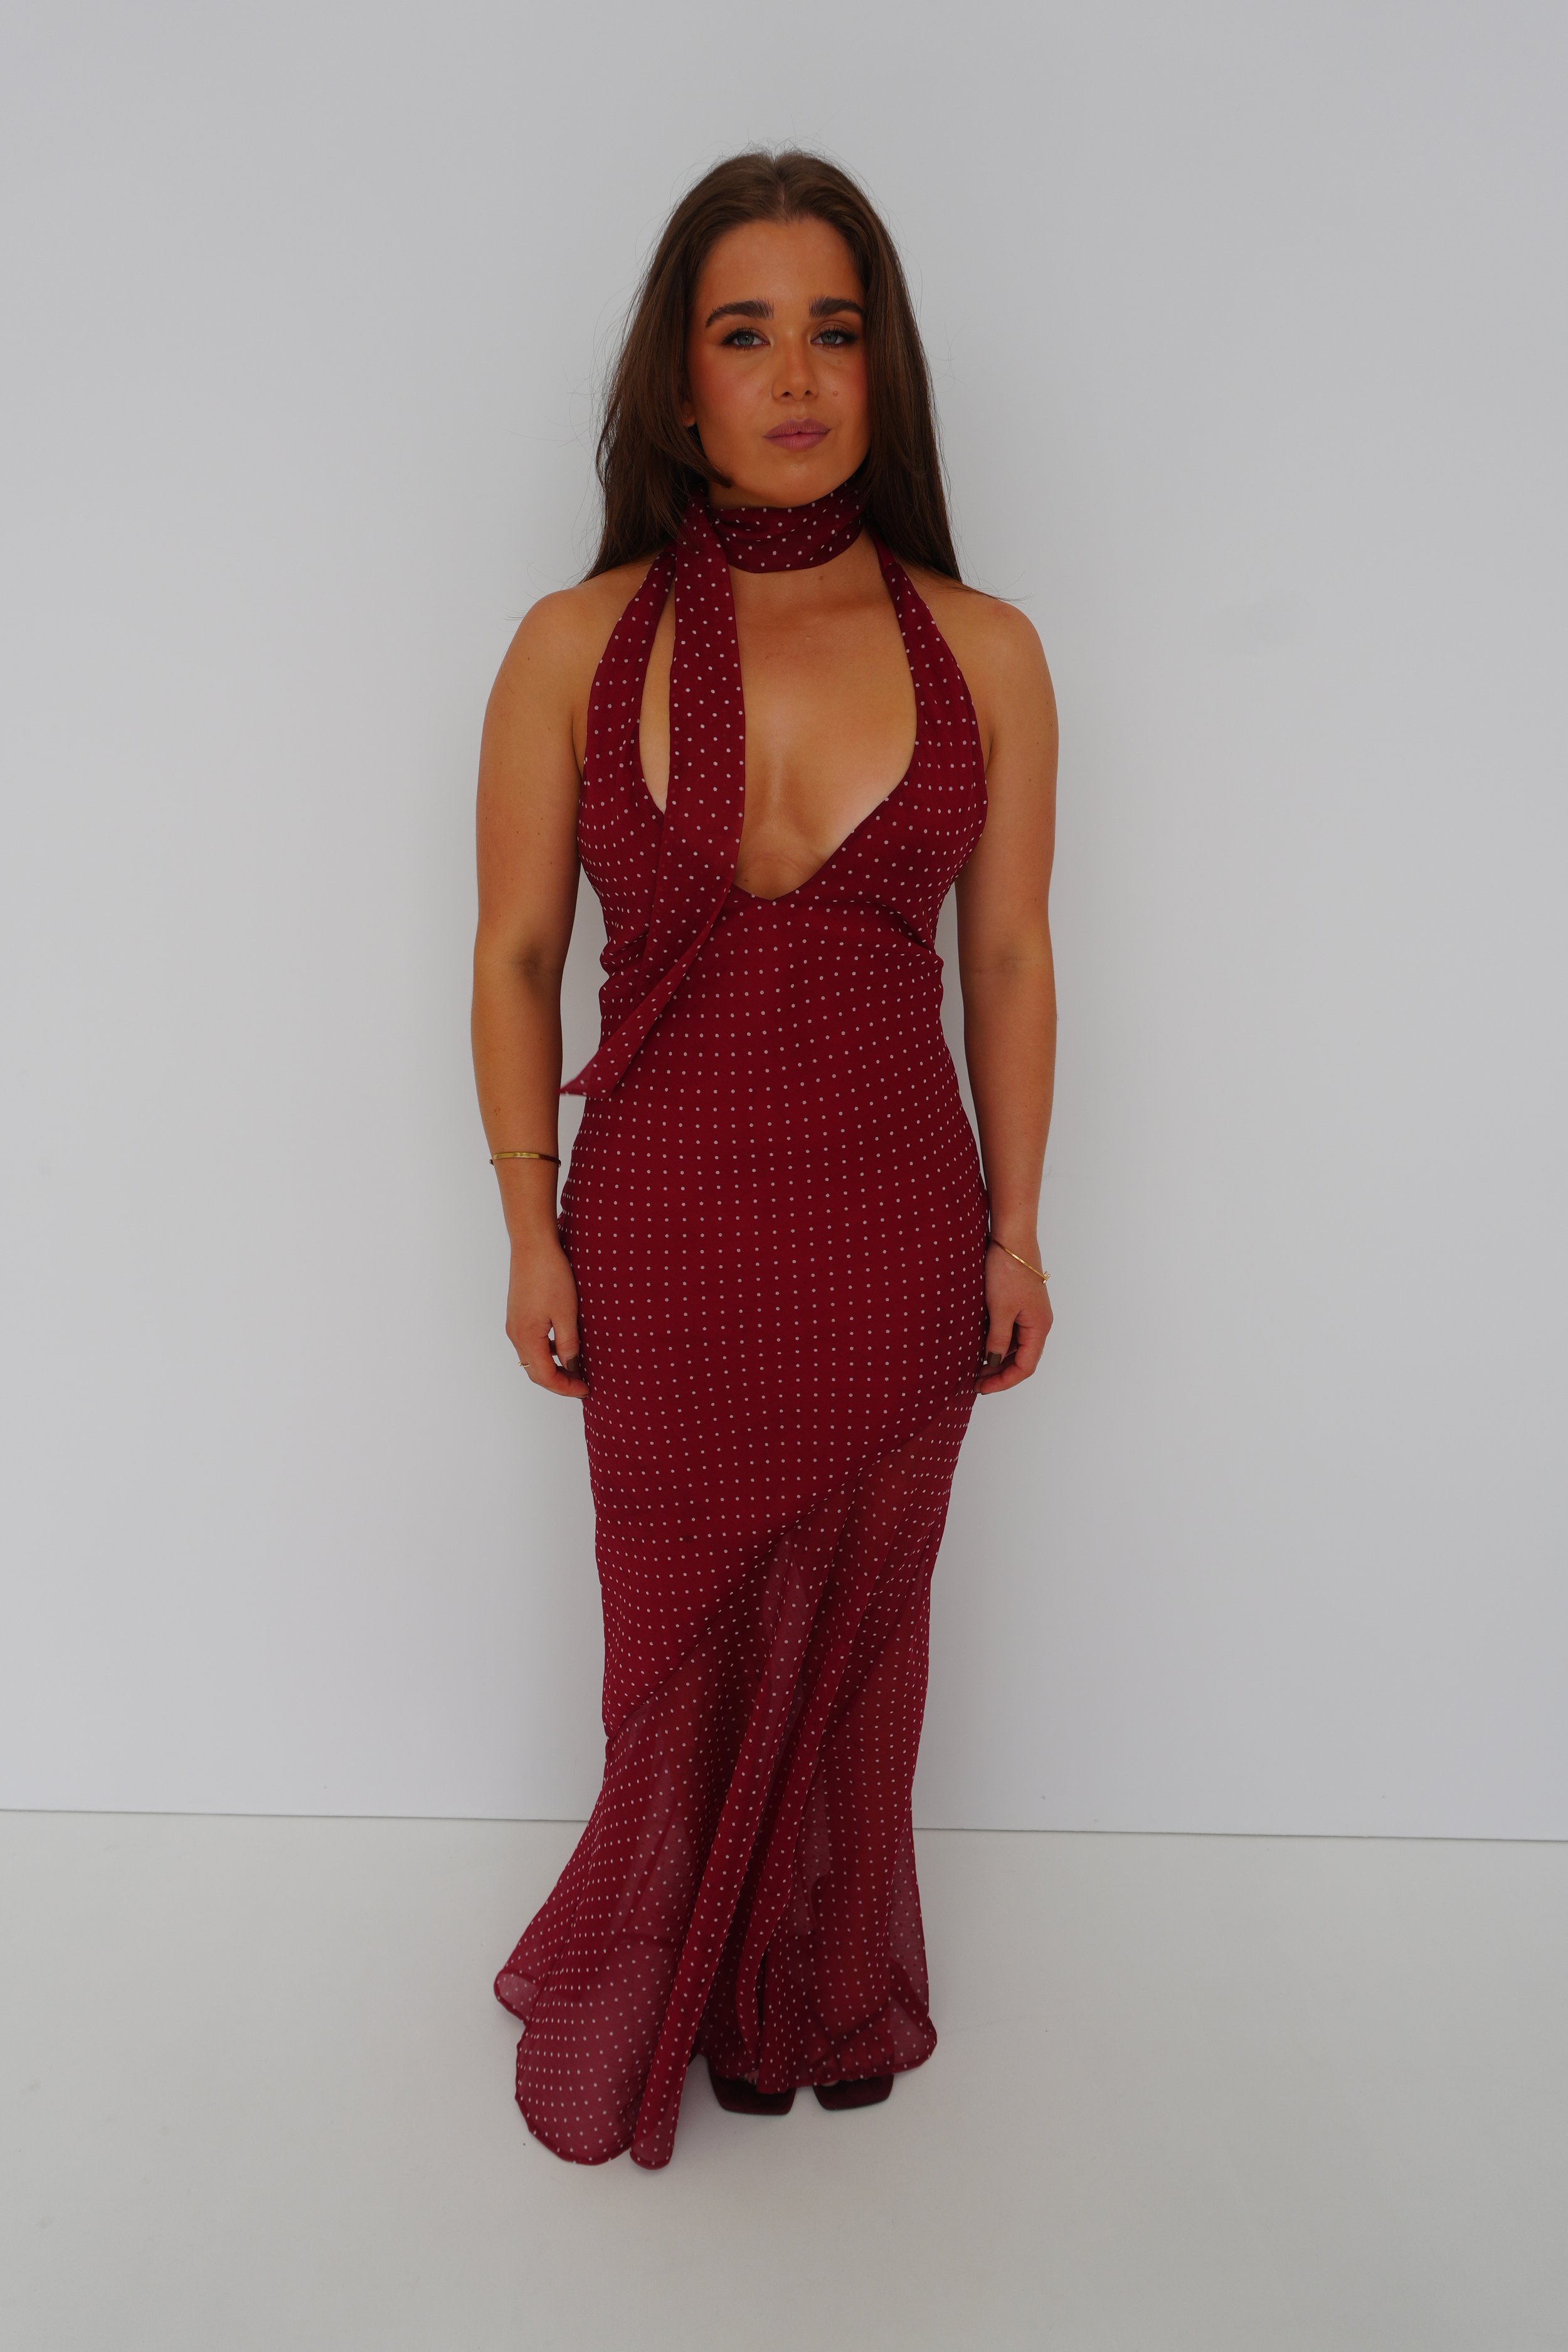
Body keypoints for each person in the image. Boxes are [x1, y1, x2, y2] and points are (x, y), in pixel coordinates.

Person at [471, 149, 1057, 2169]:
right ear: (678, 376)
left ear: (884, 367)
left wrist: (1014, 1232)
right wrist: (527, 1234)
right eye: (745, 332)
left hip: (891, 1221)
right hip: (659, 1231)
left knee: (868, 1632)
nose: (795, 377)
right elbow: (516, 955)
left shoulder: (985, 645)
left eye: (834, 330)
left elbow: (1008, 955)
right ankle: (683, 1980)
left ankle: (818, 1986)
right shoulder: (573, 642)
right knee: (668, 1637)